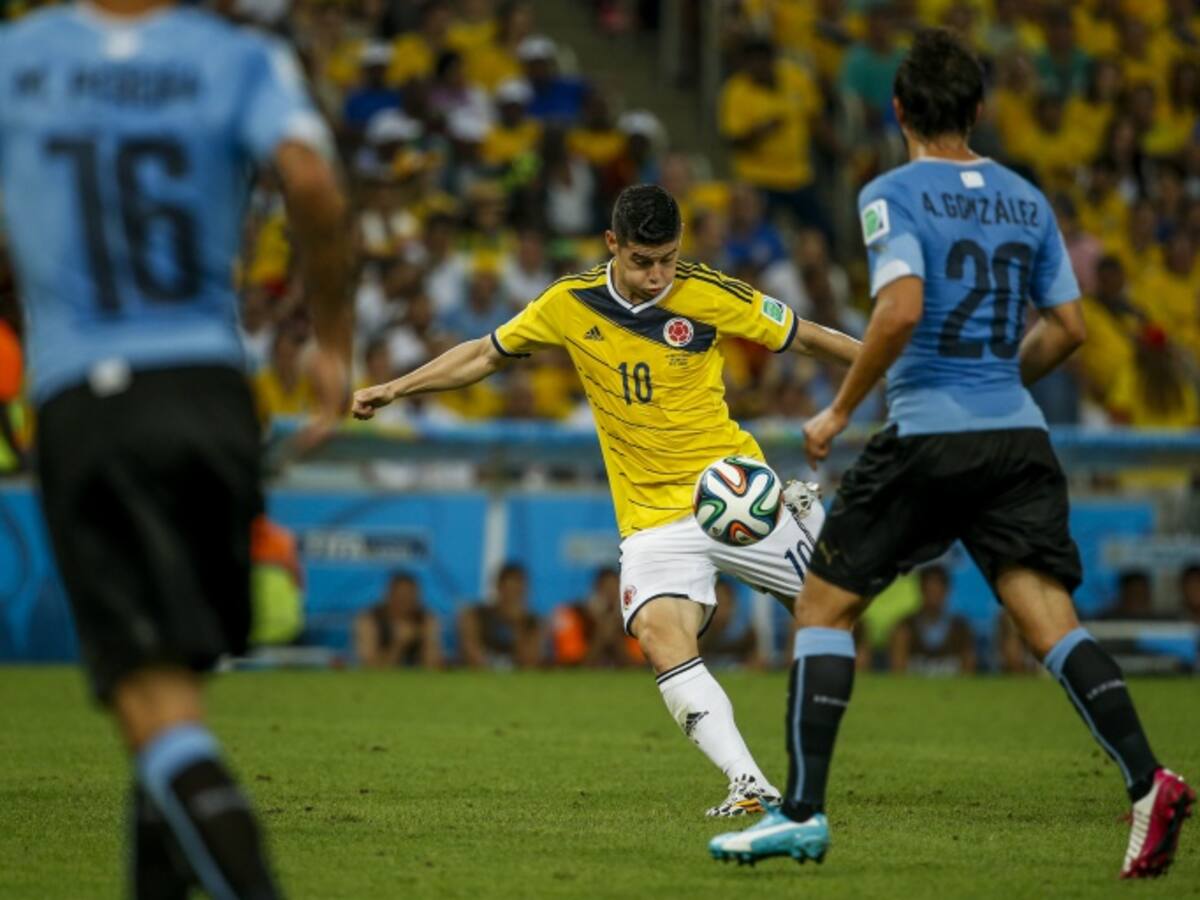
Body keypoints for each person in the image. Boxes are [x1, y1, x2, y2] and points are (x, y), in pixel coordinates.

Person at [710, 29, 1193, 878]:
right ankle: (1148, 780)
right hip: (1017, 438)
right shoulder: (1027, 198)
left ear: (898, 109)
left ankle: (803, 814)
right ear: (977, 110)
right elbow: (1070, 329)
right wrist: (999, 378)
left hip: (929, 435)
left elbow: (900, 309)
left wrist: (839, 409)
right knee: (1051, 624)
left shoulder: (891, 193)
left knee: (821, 608)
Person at [353, 184, 860, 817]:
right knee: (659, 633)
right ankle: (749, 784)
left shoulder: (707, 292)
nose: (657, 276)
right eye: (643, 261)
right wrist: (396, 388)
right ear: (612, 244)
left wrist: (886, 360)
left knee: (834, 616)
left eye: (667, 260)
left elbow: (805, 337)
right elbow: (484, 354)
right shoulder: (570, 303)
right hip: (651, 518)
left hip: (733, 492)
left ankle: (808, 532)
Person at [0, 3, 351, 898]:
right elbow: (313, 183)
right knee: (174, 694)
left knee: (154, 710)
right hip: (213, 392)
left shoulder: (19, 58)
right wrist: (333, 343)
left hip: (90, 395)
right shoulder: (238, 57)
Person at [888, 565, 975, 675]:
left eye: (937, 590)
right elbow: (898, 672)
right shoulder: (904, 627)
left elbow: (968, 672)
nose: (933, 595)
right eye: (929, 590)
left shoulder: (961, 629)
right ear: (921, 589)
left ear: (946, 591)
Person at [458, 562, 543, 669]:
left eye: (517, 591)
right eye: (509, 589)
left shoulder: (533, 622)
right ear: (498, 587)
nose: (512, 596)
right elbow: (471, 655)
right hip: (483, 674)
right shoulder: (476, 615)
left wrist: (517, 623)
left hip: (517, 676)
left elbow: (529, 661)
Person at [354, 572, 442, 669]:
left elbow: (433, 664)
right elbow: (369, 665)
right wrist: (398, 644)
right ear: (388, 595)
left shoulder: (425, 619)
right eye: (400, 596)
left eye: (409, 596)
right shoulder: (369, 620)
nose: (404, 601)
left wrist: (426, 641)